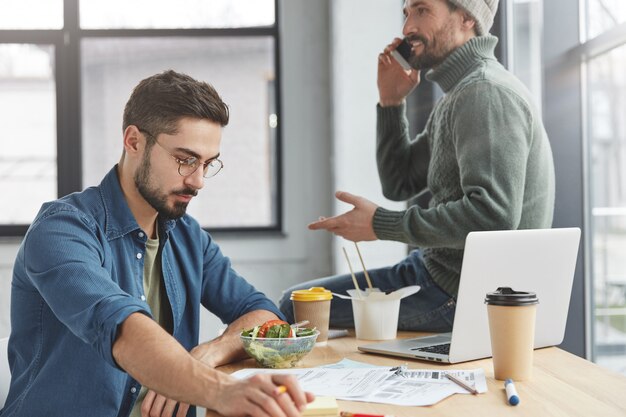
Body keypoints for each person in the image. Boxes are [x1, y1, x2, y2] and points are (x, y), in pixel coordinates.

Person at [3, 70, 313, 417]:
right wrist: (219, 390)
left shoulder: (187, 235)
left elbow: (263, 314)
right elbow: (120, 328)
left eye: (207, 164)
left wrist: (205, 355)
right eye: (185, 159)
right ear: (134, 141)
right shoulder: (62, 230)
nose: (197, 181)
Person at [279, 0, 555, 333]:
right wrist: (391, 101)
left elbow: (492, 216)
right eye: (406, 13)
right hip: (436, 272)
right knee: (299, 302)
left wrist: (381, 224)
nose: (407, 27)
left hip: (461, 295)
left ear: (467, 17)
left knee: (295, 306)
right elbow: (400, 182)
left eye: (422, 10)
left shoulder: (483, 92)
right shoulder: (459, 94)